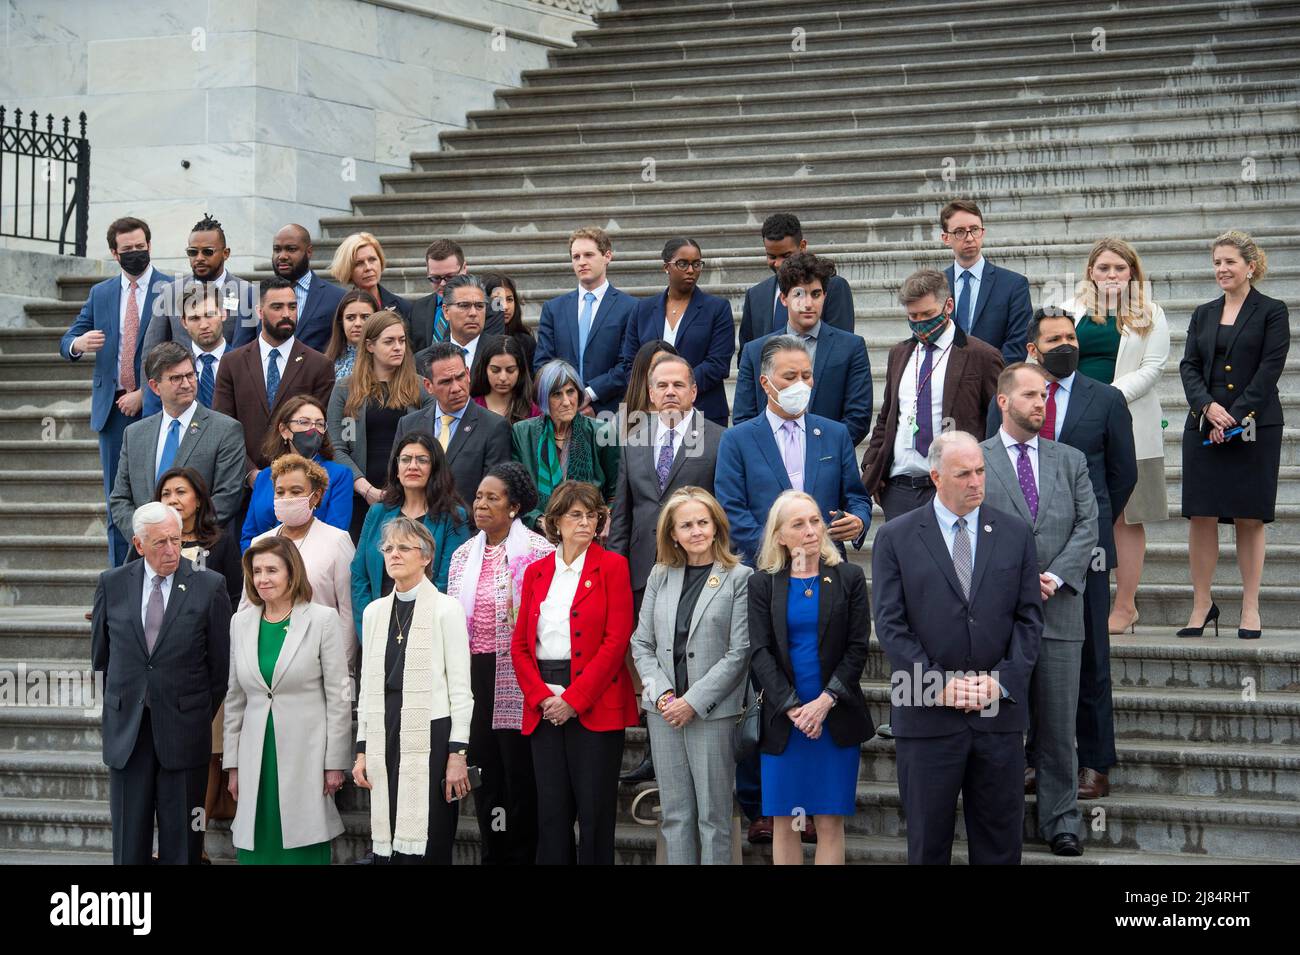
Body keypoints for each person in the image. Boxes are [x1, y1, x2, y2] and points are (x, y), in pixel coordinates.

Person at [872, 432, 1043, 865]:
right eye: (963, 473)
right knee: (928, 847)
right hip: (927, 719)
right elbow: (891, 625)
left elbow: (1029, 620)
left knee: (1000, 848)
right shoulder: (895, 537)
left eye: (980, 471)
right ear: (935, 477)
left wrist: (1001, 683)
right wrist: (937, 685)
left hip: (997, 718)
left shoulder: (1015, 533)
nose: (975, 482)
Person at [987, 308, 1136, 800]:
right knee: (1024, 658)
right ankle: (1036, 761)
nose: (1066, 345)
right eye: (1054, 338)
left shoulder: (1106, 398)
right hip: (1017, 557)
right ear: (1034, 347)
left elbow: (1122, 473)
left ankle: (1093, 763)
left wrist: (1084, 528)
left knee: (1090, 658)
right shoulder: (1012, 397)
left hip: (1082, 552)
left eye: (1071, 337)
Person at [979, 364, 1099, 857]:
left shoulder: (1070, 459)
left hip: (1060, 610)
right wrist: (1019, 582)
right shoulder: (978, 459)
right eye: (1029, 394)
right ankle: (998, 820)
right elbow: (968, 525)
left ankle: (1062, 821)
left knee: (1057, 726)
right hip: (996, 618)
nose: (1040, 403)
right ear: (1004, 401)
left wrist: (1054, 576)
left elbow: (1088, 525)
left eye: (1045, 395)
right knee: (1004, 725)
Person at [90, 502, 232, 864]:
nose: (171, 550)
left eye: (176, 539)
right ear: (138, 545)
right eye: (160, 543)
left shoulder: (209, 585)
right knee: (128, 844)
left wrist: (193, 711)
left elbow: (219, 668)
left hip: (184, 734)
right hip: (128, 736)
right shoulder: (112, 583)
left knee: (184, 843)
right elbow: (101, 660)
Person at [608, 353, 725, 785]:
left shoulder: (717, 438)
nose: (670, 392)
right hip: (642, 569)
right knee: (651, 660)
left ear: (694, 391)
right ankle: (657, 754)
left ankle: (692, 750)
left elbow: (722, 509)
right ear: (651, 393)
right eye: (662, 386)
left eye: (679, 384)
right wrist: (617, 569)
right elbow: (623, 510)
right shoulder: (634, 436)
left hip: (696, 570)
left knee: (688, 659)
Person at [510, 481, 639, 864]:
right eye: (575, 515)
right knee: (551, 814)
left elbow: (616, 642)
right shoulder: (536, 572)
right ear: (555, 521)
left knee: (596, 815)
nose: (585, 522)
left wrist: (574, 700)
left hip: (595, 703)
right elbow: (520, 646)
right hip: (544, 703)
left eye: (592, 515)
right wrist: (540, 697)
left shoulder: (613, 566)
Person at [748, 490, 873, 865]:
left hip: (833, 718)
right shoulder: (763, 584)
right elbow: (759, 652)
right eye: (798, 524)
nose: (810, 531)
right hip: (784, 722)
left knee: (829, 822)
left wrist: (824, 702)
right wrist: (791, 707)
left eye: (815, 520)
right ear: (780, 536)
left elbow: (857, 648)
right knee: (785, 822)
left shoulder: (848, 577)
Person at [630, 487, 753, 864]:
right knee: (675, 815)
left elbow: (739, 653)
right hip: (664, 713)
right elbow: (641, 644)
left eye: (703, 522)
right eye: (686, 525)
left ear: (717, 527)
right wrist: (665, 697)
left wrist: (692, 702)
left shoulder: (739, 577)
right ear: (672, 533)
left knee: (714, 818)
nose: (696, 531)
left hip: (712, 714)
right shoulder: (659, 575)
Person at [1180, 230, 1290, 641]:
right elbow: (1188, 365)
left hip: (1255, 426)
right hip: (1203, 424)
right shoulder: (1202, 313)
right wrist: (1208, 407)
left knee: (1249, 515)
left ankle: (1250, 605)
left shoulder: (1272, 311)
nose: (1221, 269)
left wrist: (1236, 415)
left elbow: (1269, 369)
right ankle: (1202, 603)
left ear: (1251, 266)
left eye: (1229, 262)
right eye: (1216, 263)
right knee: (1201, 516)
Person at [446, 463, 555, 864]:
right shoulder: (461, 557)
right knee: (485, 774)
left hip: (520, 677)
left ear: (515, 507)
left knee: (520, 776)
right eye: (478, 497)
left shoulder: (540, 552)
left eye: (493, 498)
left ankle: (524, 854)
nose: (482, 505)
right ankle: (495, 853)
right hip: (474, 676)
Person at [1061, 238, 1170, 634]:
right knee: (1073, 512)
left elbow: (1153, 368)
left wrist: (1102, 399)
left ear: (1132, 274)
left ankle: (1125, 606)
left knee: (1126, 516)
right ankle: (1077, 600)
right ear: (1090, 271)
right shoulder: (1070, 312)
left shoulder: (1150, 313)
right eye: (1104, 268)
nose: (1111, 275)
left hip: (1129, 424)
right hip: (1073, 426)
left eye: (1119, 269)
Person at [353, 517, 474, 864]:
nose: (394, 554)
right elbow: (368, 688)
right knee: (388, 831)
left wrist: (457, 754)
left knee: (430, 832)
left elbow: (461, 690)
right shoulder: (374, 611)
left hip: (432, 730)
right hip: (384, 726)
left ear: (425, 557)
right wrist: (362, 750)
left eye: (404, 547)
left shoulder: (446, 609)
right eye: (388, 548)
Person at [224, 537, 351, 864]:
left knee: (302, 846)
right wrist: (233, 765)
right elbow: (235, 698)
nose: (262, 579)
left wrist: (335, 761)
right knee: (258, 845)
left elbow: (338, 695)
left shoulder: (322, 620)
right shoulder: (241, 623)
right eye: (256, 571)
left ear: (291, 573)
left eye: (271, 570)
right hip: (256, 755)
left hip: (306, 754)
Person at [60, 216, 172, 565]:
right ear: (114, 252)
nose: (136, 253)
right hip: (111, 412)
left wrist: (145, 393)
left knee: (157, 500)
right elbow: (66, 341)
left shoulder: (171, 288)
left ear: (149, 246)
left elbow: (178, 351)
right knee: (117, 502)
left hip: (155, 408)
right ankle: (120, 585)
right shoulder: (101, 293)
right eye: (128, 249)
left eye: (141, 247)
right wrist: (79, 342)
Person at [714, 335, 872, 567]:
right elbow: (732, 510)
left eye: (806, 376)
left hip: (825, 564)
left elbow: (856, 496)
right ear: (765, 383)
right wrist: (779, 548)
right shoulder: (737, 440)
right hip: (763, 569)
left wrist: (858, 520)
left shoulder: (835, 434)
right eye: (790, 377)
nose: (800, 384)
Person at [152, 466, 244, 857]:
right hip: (160, 667)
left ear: (199, 499)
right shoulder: (146, 542)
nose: (173, 499)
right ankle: (163, 840)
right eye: (166, 493)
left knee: (205, 755)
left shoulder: (220, 543)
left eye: (181, 492)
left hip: (207, 664)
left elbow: (239, 599)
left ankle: (197, 841)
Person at [861, 268, 1002, 521]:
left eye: (928, 314)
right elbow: (887, 416)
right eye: (913, 316)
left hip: (953, 487)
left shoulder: (982, 356)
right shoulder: (899, 354)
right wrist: (872, 464)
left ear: (948, 306)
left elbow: (997, 422)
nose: (920, 323)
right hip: (900, 488)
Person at [109, 342, 245, 547]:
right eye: (176, 378)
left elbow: (229, 496)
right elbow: (120, 499)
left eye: (190, 375)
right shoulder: (134, 434)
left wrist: (182, 537)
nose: (186, 384)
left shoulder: (226, 429)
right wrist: (147, 537)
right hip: (145, 553)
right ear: (155, 386)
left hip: (200, 552)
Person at [733, 251, 873, 446]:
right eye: (799, 294)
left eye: (815, 294)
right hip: (769, 464)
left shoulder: (851, 347)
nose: (808, 303)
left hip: (828, 463)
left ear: (824, 295)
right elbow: (744, 417)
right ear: (784, 299)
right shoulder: (755, 351)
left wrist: (824, 455)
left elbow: (858, 417)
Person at [212, 275, 336, 484]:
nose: (287, 314)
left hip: (300, 482)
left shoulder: (319, 365)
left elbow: (318, 431)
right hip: (242, 485)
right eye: (277, 307)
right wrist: (251, 475)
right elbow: (223, 428)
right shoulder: (232, 363)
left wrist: (289, 476)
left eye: (292, 307)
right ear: (260, 312)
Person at [242, 454, 358, 672]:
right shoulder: (260, 542)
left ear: (316, 496)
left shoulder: (337, 540)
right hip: (267, 659)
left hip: (319, 659)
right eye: (280, 492)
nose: (286, 498)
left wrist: (342, 668)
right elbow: (247, 605)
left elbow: (347, 612)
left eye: (296, 492)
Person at [327, 309, 433, 540]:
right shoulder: (345, 390)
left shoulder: (421, 387)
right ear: (369, 346)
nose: (398, 347)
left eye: (402, 340)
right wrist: (366, 489)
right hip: (360, 499)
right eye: (389, 341)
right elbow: (338, 447)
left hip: (412, 498)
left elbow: (434, 442)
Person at [351, 433, 471, 634]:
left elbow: (448, 580)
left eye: (422, 460)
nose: (412, 466)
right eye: (406, 459)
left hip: (427, 630)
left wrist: (418, 628)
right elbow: (359, 575)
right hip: (377, 628)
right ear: (396, 469)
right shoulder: (378, 512)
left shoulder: (453, 517)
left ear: (435, 468)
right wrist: (369, 626)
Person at [620, 237, 734, 426]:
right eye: (682, 264)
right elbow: (630, 362)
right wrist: (654, 393)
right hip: (650, 412)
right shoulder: (642, 309)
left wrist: (680, 389)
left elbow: (718, 364)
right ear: (666, 267)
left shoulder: (717, 309)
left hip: (703, 411)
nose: (691, 270)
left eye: (696, 264)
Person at [396, 343, 514, 507]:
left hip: (467, 527)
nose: (456, 388)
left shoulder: (494, 427)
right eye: (445, 382)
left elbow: (495, 492)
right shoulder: (408, 424)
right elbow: (397, 485)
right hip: (415, 527)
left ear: (468, 374)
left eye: (459, 377)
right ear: (428, 386)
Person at [534, 226, 636, 416]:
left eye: (589, 255)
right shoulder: (554, 309)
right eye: (576, 257)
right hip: (561, 414)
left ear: (607, 256)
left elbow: (629, 365)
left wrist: (589, 395)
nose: (582, 262)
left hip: (610, 413)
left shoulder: (631, 308)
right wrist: (568, 399)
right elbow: (543, 363)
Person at [511, 360, 620, 532]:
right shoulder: (522, 433)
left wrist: (605, 517)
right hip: (538, 534)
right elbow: (515, 491)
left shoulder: (603, 431)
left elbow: (616, 490)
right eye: (556, 394)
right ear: (542, 398)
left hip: (589, 531)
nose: (567, 402)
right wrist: (540, 521)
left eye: (571, 392)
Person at [239, 395, 353, 549]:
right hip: (264, 566)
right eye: (304, 422)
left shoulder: (339, 475)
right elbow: (248, 536)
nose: (312, 429)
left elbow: (336, 534)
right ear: (284, 430)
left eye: (319, 424)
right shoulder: (265, 477)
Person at [737, 213, 856, 359]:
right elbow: (747, 354)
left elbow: (843, 348)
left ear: (803, 246)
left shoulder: (834, 286)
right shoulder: (756, 295)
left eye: (786, 256)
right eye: (772, 257)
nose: (779, 263)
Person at [141, 212, 257, 355]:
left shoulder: (248, 293)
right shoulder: (170, 293)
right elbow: (151, 352)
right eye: (193, 252)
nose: (199, 258)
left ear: (225, 253)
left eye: (208, 252)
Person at [939, 199, 1032, 363]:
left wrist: (990, 381)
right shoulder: (935, 286)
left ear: (983, 232)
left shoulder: (1014, 285)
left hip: (994, 383)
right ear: (946, 238)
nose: (969, 238)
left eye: (974, 230)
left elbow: (1017, 345)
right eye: (960, 231)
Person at [142, 284, 230, 417]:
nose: (204, 325)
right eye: (194, 318)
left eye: (210, 315)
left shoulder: (246, 364)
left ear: (223, 314)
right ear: (183, 322)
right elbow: (151, 425)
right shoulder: (165, 369)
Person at [409, 239, 505, 353]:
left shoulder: (492, 308)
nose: (443, 284)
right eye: (435, 278)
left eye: (450, 277)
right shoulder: (418, 308)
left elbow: (490, 354)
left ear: (464, 268)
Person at [271, 223, 347, 352]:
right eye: (277, 250)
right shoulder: (254, 296)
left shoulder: (337, 298)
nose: (282, 256)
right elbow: (243, 349)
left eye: (291, 249)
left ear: (309, 251)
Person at [328, 231, 411, 320]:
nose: (368, 267)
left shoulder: (402, 307)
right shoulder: (339, 310)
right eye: (359, 263)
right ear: (348, 270)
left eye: (372, 259)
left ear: (380, 260)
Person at [470, 334, 540, 425]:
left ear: (520, 371)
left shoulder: (532, 412)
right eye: (495, 370)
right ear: (485, 370)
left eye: (510, 370)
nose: (503, 377)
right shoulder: (471, 408)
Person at [322, 289, 380, 380]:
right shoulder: (324, 363)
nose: (358, 323)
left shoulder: (385, 361)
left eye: (365, 317)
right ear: (341, 322)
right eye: (350, 318)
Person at [438, 274, 491, 372]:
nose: (473, 313)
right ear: (446, 312)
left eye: (479, 306)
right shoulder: (426, 359)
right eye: (464, 305)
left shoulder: (502, 353)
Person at [484, 273, 535, 368]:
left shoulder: (526, 342)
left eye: (509, 299)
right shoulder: (475, 339)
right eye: (498, 300)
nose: (505, 307)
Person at [621, 338, 677, 426]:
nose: (664, 374)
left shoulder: (691, 419)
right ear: (642, 373)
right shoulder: (620, 421)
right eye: (656, 367)